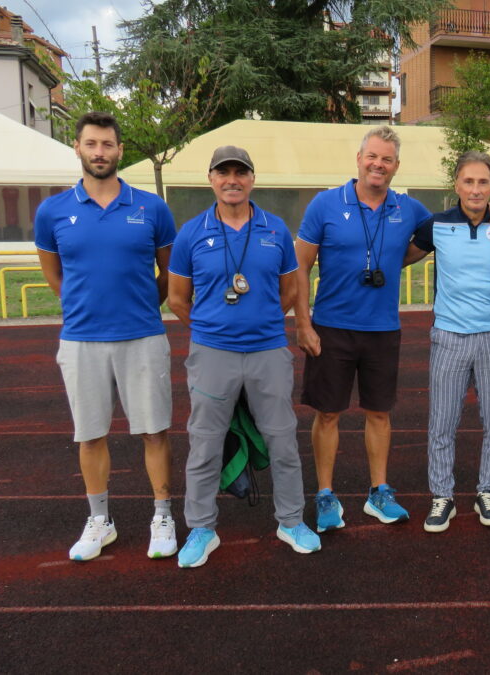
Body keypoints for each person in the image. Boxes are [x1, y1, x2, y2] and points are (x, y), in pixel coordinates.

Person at [34, 111, 177, 562]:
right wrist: (87, 305)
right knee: (90, 434)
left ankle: (163, 514)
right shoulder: (52, 210)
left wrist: (140, 305)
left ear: (119, 150)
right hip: (81, 339)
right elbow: (56, 275)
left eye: (108, 145)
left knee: (154, 430)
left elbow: (169, 271)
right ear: (77, 147)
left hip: (142, 336)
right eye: (91, 144)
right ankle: (100, 521)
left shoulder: (150, 207)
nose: (100, 152)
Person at [167, 146, 318, 568]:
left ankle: (290, 521)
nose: (232, 180)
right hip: (213, 352)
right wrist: (214, 329)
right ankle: (201, 528)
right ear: (211, 178)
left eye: (240, 172)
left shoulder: (275, 228)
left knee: (283, 438)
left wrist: (262, 323)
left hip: (268, 349)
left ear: (252, 178)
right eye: (223, 172)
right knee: (204, 443)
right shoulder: (192, 233)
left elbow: (290, 291)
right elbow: (179, 300)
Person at [293, 126, 433, 530]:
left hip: (383, 329)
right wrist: (303, 323)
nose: (378, 164)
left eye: (387, 159)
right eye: (372, 156)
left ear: (396, 166)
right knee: (328, 414)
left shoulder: (409, 209)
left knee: (379, 413)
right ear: (358, 159)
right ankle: (325, 495)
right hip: (331, 328)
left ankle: (378, 492)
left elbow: (437, 232)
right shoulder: (325, 204)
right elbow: (299, 264)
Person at [404, 151, 490, 533]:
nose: (476, 189)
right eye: (468, 181)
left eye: (483, 182)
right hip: (450, 336)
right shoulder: (436, 225)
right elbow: (400, 257)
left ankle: (488, 491)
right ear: (456, 185)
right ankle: (442, 496)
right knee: (442, 421)